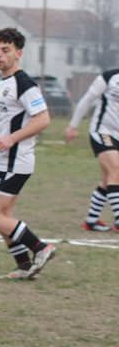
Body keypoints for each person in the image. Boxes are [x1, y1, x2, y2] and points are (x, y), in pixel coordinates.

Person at [0, 27, 57, 280]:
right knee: (3, 217)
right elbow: (3, 119)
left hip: (15, 161)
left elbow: (43, 119)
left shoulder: (24, 84)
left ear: (18, 54)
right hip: (2, 159)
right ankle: (24, 266)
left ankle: (41, 247)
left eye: (5, 50)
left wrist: (12, 138)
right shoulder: (4, 83)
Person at [64, 67, 119, 231]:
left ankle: (91, 221)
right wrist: (73, 126)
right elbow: (87, 99)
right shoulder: (110, 77)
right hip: (102, 131)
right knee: (116, 170)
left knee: (108, 179)